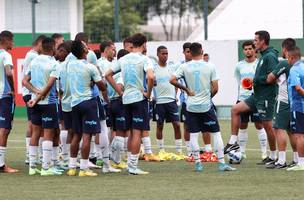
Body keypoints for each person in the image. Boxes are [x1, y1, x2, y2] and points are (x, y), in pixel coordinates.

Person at [170, 42, 235, 172]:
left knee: (193, 135)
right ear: (201, 51)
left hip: (191, 106)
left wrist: (186, 90)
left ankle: (198, 164)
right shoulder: (210, 66)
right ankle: (222, 163)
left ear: (191, 52)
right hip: (206, 106)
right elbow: (216, 88)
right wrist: (208, 97)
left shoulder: (184, 66)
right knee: (216, 133)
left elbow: (172, 80)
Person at [225, 30, 278, 165]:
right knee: (235, 109)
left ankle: (272, 156)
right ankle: (232, 142)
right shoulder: (263, 56)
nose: (254, 43)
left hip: (265, 97)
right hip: (256, 96)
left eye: (255, 41)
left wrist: (256, 80)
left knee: (266, 126)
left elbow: (272, 77)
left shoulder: (270, 56)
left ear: (262, 41)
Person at [106, 33, 154, 175]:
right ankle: (132, 166)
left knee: (131, 132)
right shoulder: (145, 59)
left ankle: (129, 163)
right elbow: (151, 76)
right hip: (139, 99)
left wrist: (120, 92)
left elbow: (107, 75)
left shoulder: (124, 59)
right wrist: (148, 93)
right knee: (137, 133)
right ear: (144, 44)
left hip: (126, 100)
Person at [66, 40, 107, 176]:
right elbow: (102, 87)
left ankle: (72, 167)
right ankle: (83, 169)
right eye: (85, 46)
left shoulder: (69, 65)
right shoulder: (90, 67)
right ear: (84, 51)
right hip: (88, 103)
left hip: (74, 104)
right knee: (87, 137)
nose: (87, 47)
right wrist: (93, 82)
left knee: (76, 135)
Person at [23, 37, 61, 176]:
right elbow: (50, 84)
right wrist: (40, 95)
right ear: (52, 48)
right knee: (48, 134)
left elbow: (25, 81)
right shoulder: (54, 64)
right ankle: (46, 168)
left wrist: (35, 93)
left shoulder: (34, 61)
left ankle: (32, 167)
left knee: (35, 133)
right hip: (48, 103)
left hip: (34, 102)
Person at [266, 38, 298, 169]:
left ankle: (282, 160)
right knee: (292, 131)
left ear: (284, 49)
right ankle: (297, 159)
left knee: (278, 129)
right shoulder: (299, 64)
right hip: (296, 101)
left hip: (284, 100)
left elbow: (270, 78)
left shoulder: (284, 63)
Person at [233, 40, 268, 160]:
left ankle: (264, 153)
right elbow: (239, 81)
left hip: (256, 98)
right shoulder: (239, 65)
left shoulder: (259, 64)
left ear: (254, 50)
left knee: (259, 124)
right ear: (243, 51)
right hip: (242, 99)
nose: (248, 51)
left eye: (250, 49)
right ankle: (242, 153)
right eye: (246, 49)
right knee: (242, 125)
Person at [153, 45, 184, 160]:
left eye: (166, 53)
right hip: (159, 102)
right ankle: (161, 151)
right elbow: (150, 82)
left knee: (176, 125)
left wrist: (175, 94)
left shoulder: (172, 67)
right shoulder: (154, 69)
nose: (165, 55)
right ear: (158, 54)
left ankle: (179, 152)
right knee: (159, 125)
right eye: (163, 53)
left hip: (171, 101)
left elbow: (175, 81)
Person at [22, 34, 46, 165]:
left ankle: (31, 155)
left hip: (29, 91)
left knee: (33, 124)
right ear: (40, 44)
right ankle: (31, 155)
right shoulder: (34, 56)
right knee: (34, 125)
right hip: (31, 92)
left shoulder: (30, 54)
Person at [0, 30, 18, 173]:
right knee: (5, 129)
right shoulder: (6, 55)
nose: (13, 43)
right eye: (12, 40)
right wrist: (13, 89)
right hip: (5, 95)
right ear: (5, 41)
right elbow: (8, 72)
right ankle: (1, 165)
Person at [286, 46, 304, 171]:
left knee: (299, 135)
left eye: (287, 57)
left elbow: (297, 87)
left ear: (291, 57)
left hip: (298, 106)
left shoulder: (294, 69)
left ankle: (301, 163)